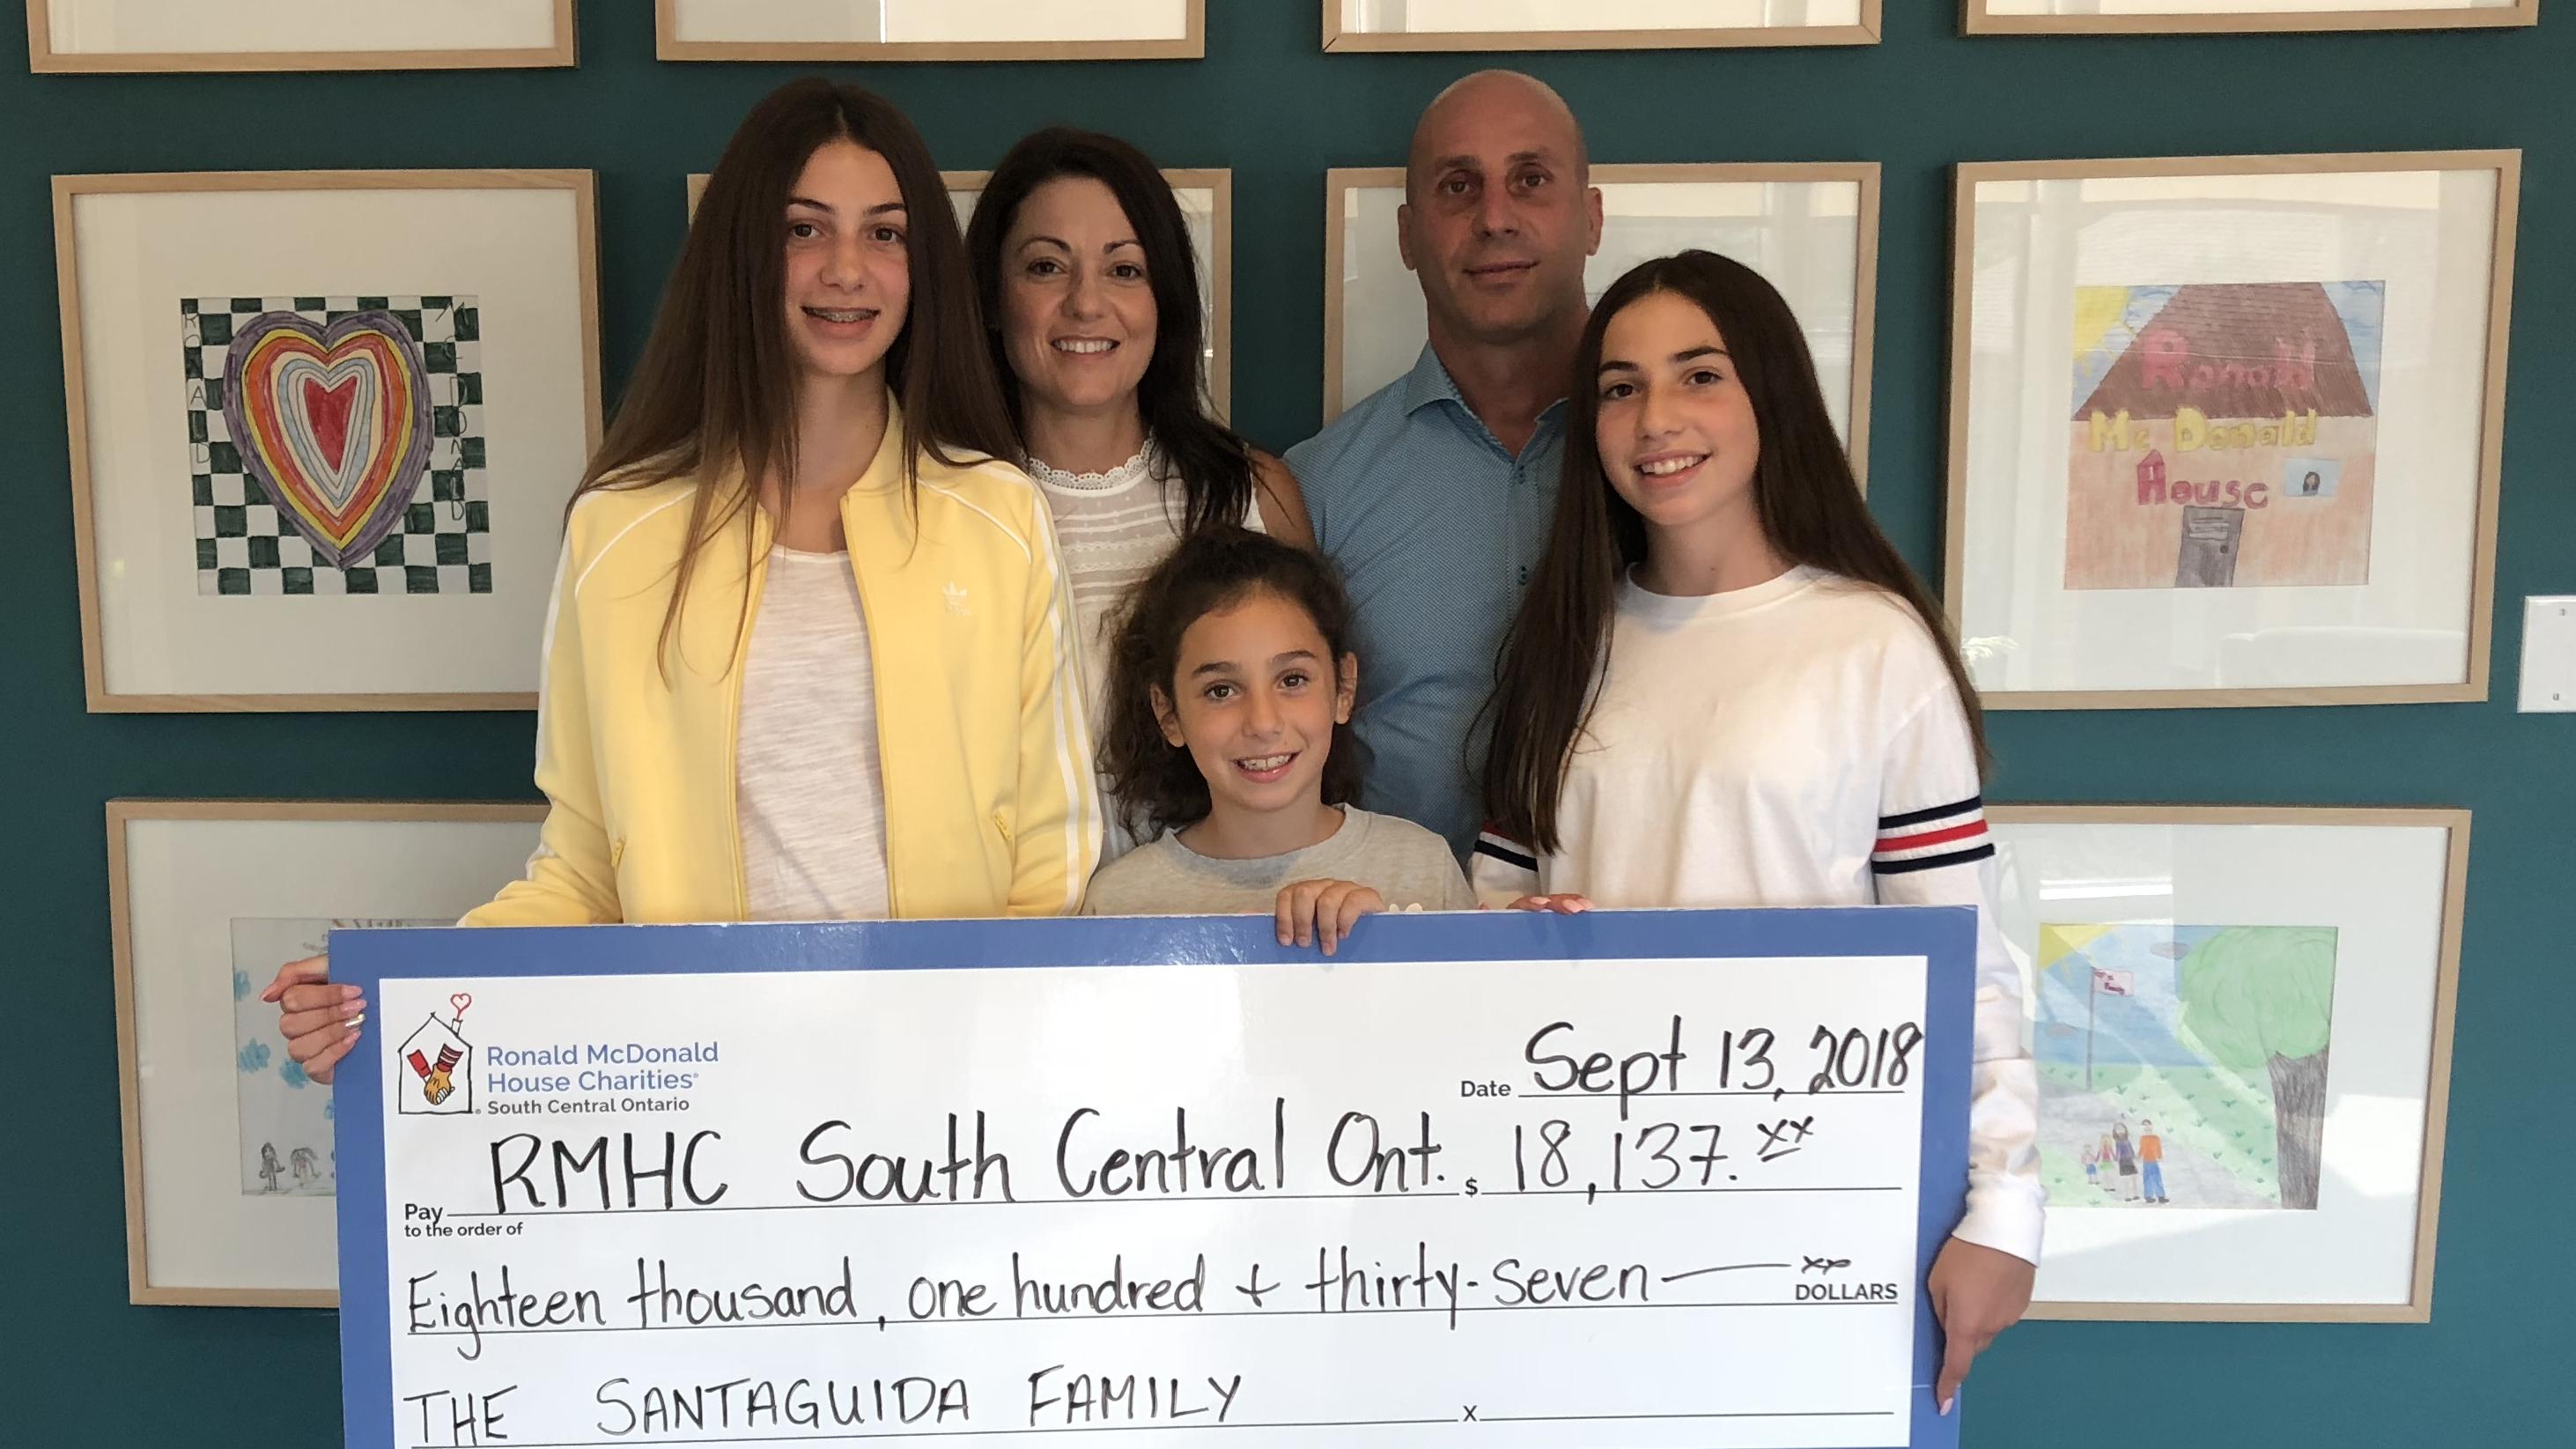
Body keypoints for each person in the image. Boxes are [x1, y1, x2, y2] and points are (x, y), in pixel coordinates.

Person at [263, 78, 1100, 1083]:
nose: (848, 269)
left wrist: (980, 1061)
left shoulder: (999, 519)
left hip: (943, 1088)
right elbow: (582, 869)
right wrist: (386, 998)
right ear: (745, 250)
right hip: (702, 1103)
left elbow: (1052, 857)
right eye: (804, 229)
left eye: (885, 235)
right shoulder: (620, 530)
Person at [1473, 251, 2039, 1416]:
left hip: (1822, 1203)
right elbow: (1496, 913)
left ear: (1769, 396)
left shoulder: (1871, 646)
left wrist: (2006, 1205)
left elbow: (1962, 953)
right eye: (1620, 387)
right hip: (1577, 1203)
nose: (1656, 418)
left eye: (1699, 375)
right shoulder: (1562, 641)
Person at [965, 128, 1310, 854]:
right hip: (999, 942)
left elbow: (1313, 762)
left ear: (1166, 299)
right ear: (994, 299)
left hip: (1215, 937)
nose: (1086, 304)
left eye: (1124, 270)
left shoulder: (1250, 495)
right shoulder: (942, 509)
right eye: (1045, 267)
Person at [1288, 70, 1603, 860]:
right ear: (1404, 235)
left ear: (1591, 216)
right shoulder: (1315, 488)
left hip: (1651, 947)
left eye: (1530, 180)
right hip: (1394, 953)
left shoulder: (1683, 465)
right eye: (1458, 186)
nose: (1494, 218)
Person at [1083, 527, 1475, 951]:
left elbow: (1483, 1011)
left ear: (1343, 688)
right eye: (1221, 690)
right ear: (1169, 713)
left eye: (1292, 680)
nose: (1263, 723)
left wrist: (1381, 948)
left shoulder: (1422, 868)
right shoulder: (1117, 903)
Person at [2138, 1118, 2167, 1203]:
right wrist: (2139, 1156)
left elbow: (2159, 1148)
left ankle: (2161, 1196)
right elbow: (2142, 1149)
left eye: (2148, 1124)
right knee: (2147, 1179)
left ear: (2151, 1126)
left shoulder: (2156, 1138)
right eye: (2145, 1125)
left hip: (2154, 1161)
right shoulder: (2143, 1138)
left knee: (2157, 1178)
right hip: (2146, 1161)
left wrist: (2160, 1156)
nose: (2147, 1127)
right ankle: (2148, 1196)